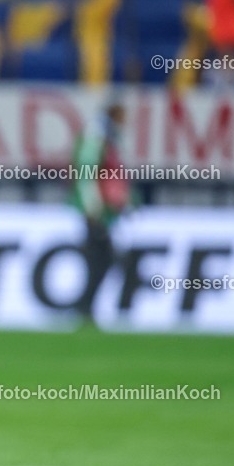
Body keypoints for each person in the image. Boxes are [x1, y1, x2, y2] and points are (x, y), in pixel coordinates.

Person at [70, 99, 131, 323]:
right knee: (100, 259)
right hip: (94, 212)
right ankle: (84, 307)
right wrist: (92, 208)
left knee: (101, 260)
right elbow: (86, 175)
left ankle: (86, 307)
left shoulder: (106, 137)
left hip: (101, 211)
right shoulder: (96, 137)